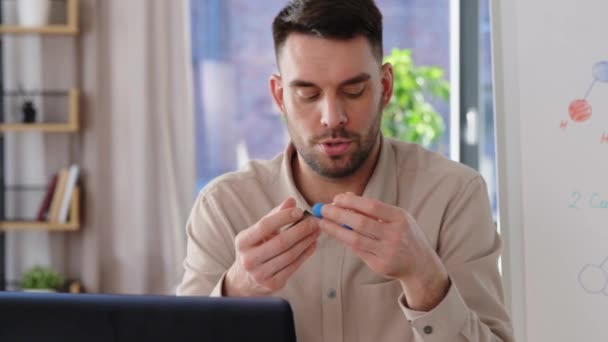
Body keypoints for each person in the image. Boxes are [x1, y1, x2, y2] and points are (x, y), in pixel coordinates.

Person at [177, 0, 513, 341]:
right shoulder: (223, 206)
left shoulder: (453, 195)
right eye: (308, 94)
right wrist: (237, 291)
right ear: (279, 96)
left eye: (353, 91)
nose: (332, 116)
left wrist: (425, 278)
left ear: (385, 87)